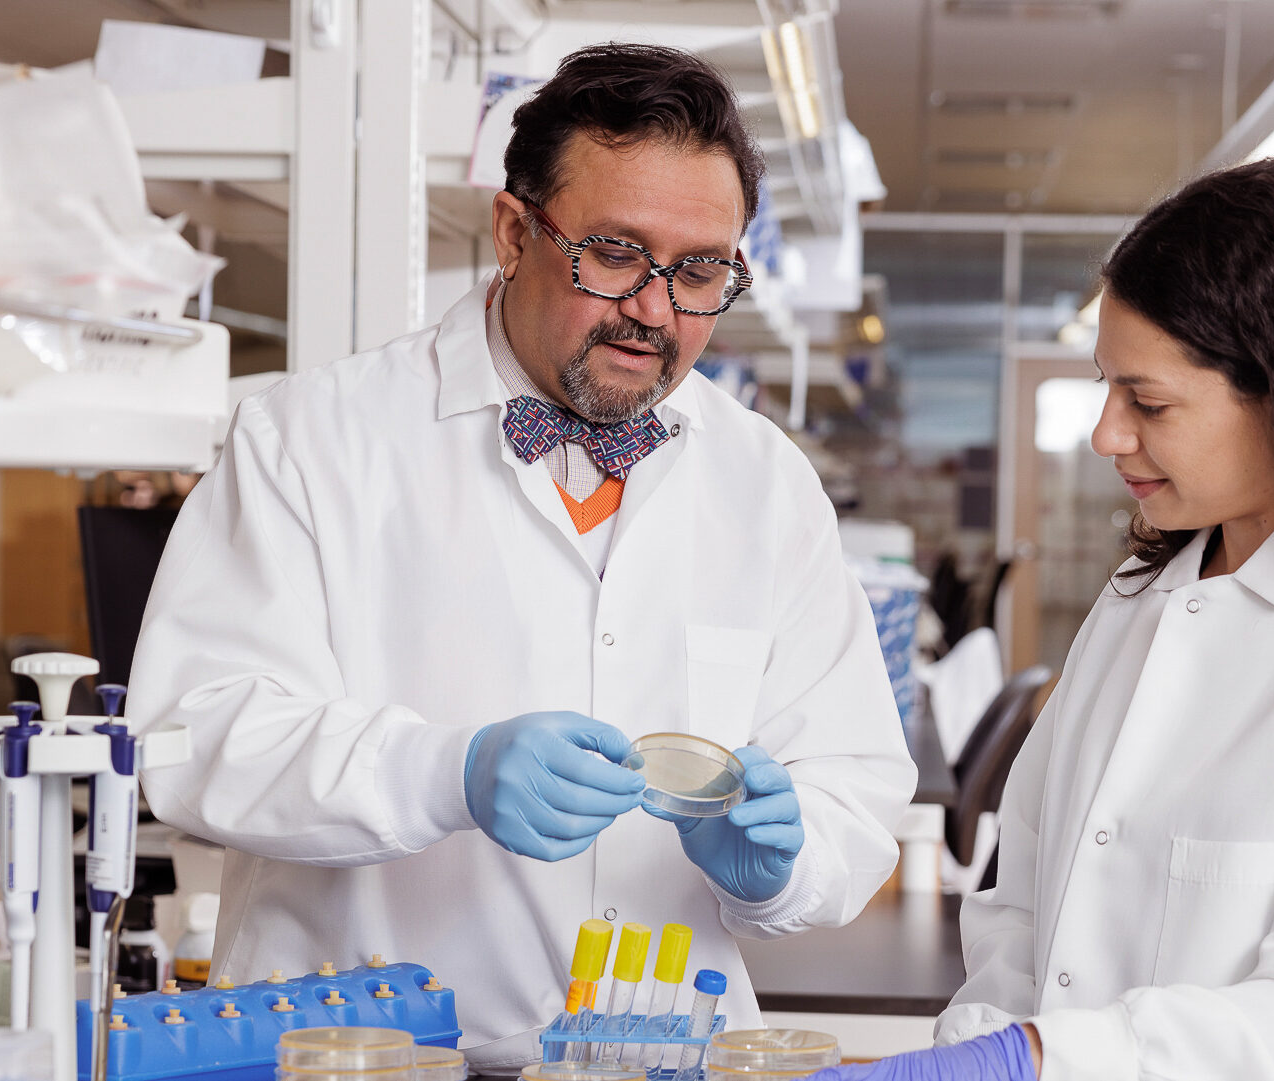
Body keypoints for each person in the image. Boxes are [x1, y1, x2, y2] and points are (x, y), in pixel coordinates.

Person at [127, 42, 915, 1070]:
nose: (655, 309)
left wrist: (779, 860)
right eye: (617, 253)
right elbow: (189, 737)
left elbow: (855, 792)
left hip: (659, 1057)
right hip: (367, 1058)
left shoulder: (765, 484)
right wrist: (441, 771)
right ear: (512, 231)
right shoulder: (313, 438)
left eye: (700, 270)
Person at [808, 158, 1274, 1081]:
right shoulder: (1139, 604)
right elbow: (1023, 916)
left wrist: (1039, 1060)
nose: (1107, 434)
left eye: (1149, 401)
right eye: (1106, 388)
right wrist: (986, 1048)